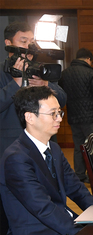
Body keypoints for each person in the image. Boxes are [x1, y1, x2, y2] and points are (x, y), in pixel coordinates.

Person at [0, 86, 93, 235]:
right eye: (53, 114)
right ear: (30, 117)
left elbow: (76, 188)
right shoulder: (16, 158)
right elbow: (43, 208)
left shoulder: (54, 148)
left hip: (60, 223)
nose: (59, 118)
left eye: (59, 112)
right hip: (38, 234)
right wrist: (80, 233)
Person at [0, 21, 67, 159]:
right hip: (10, 145)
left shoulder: (39, 69)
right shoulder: (2, 71)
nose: (28, 47)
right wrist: (15, 83)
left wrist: (46, 84)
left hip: (43, 142)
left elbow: (62, 99)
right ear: (8, 43)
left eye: (31, 42)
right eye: (23, 41)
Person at [59, 48, 93, 183]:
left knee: (78, 146)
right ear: (88, 59)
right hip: (90, 116)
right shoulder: (89, 73)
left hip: (73, 115)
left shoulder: (65, 74)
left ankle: (80, 175)